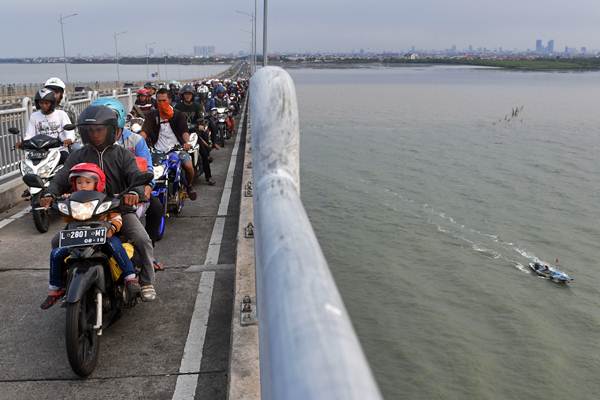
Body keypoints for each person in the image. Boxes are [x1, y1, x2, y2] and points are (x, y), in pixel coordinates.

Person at [41, 104, 158, 301]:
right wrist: (50, 193)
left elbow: (135, 177)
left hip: (117, 209)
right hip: (84, 211)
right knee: (56, 242)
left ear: (111, 130)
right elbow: (62, 177)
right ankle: (61, 282)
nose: (95, 134)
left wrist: (135, 193)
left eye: (99, 129)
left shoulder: (123, 155)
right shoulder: (78, 154)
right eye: (90, 130)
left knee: (142, 239)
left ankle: (146, 281)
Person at [40, 163, 141, 309]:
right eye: (79, 182)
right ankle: (55, 289)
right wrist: (60, 204)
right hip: (76, 237)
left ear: (97, 183)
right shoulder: (72, 200)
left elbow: (116, 218)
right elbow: (67, 219)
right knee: (56, 254)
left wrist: (112, 227)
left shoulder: (107, 199)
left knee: (115, 245)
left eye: (87, 182)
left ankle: (130, 278)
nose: (83, 185)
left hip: (102, 237)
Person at [140, 88, 198, 199]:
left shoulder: (178, 115)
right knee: (147, 170)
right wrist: (137, 141)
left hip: (176, 149)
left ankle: (189, 186)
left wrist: (187, 142)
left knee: (188, 166)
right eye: (159, 101)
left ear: (170, 100)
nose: (161, 103)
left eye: (164, 100)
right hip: (157, 151)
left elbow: (184, 131)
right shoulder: (152, 115)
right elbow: (145, 131)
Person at [17, 88, 74, 164]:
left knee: (67, 162)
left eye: (46, 103)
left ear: (52, 103)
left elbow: (69, 131)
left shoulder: (61, 114)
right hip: (39, 152)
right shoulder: (34, 116)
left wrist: (69, 139)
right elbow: (29, 134)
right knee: (24, 164)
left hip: (58, 150)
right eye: (41, 103)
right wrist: (23, 143)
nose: (43, 105)